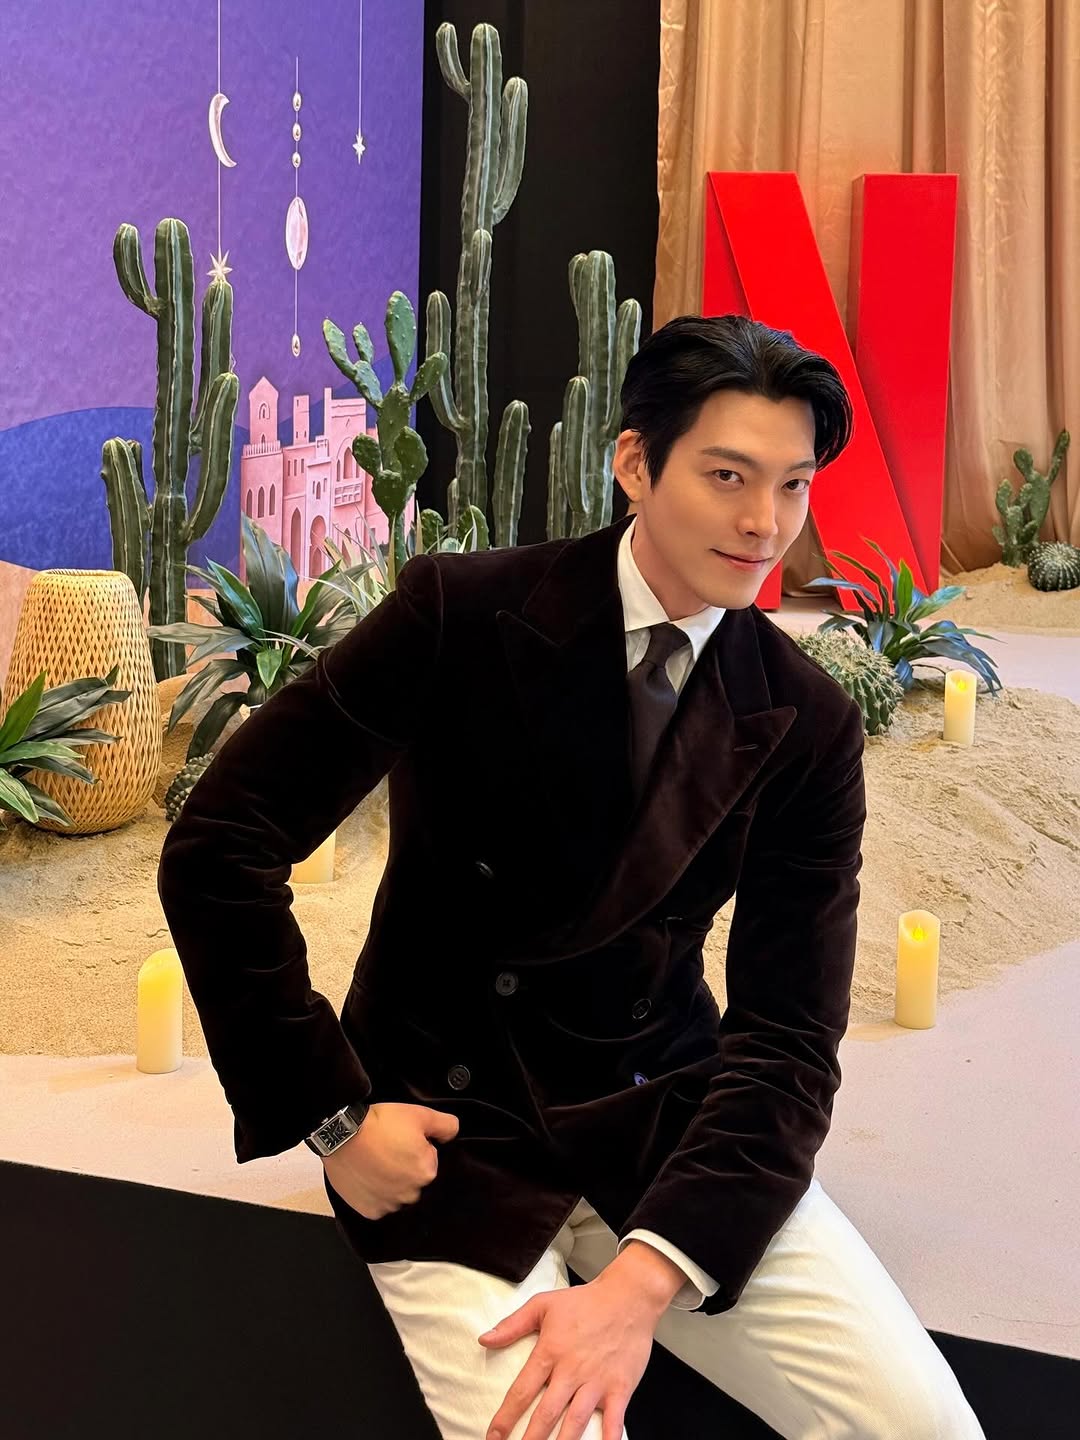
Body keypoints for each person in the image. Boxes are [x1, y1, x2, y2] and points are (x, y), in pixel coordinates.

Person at [157, 314, 986, 1440]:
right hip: (445, 1133)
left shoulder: (807, 718)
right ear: (634, 462)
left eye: (793, 485)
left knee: (925, 1426)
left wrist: (642, 1284)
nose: (765, 522)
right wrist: (332, 1116)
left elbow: (790, 1036)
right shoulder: (458, 613)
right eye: (728, 476)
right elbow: (221, 842)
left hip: (662, 1119)